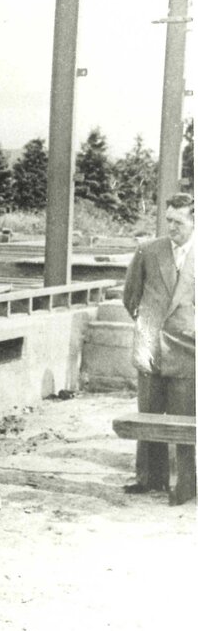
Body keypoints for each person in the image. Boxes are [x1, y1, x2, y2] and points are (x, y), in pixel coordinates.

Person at [121, 192, 195, 493]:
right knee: (148, 415)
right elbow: (130, 297)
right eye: (168, 221)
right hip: (151, 348)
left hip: (189, 351)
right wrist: (147, 329)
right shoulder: (148, 251)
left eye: (178, 222)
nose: (172, 227)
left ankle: (187, 482)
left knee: (185, 418)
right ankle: (150, 478)